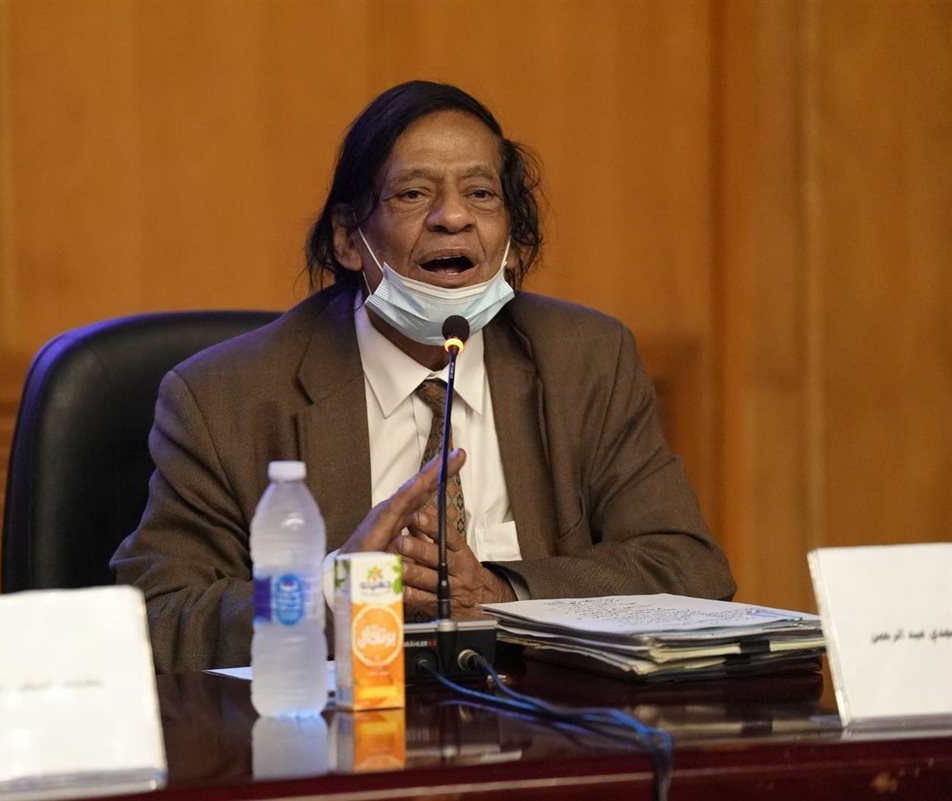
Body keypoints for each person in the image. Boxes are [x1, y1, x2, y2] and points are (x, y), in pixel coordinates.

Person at [112, 81, 736, 673]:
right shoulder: (228, 398)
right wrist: (333, 594)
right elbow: (159, 617)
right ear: (348, 240)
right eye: (413, 194)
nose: (453, 217)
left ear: (511, 239)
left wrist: (502, 593)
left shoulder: (586, 361)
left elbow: (687, 567)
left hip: (544, 722)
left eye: (481, 194)